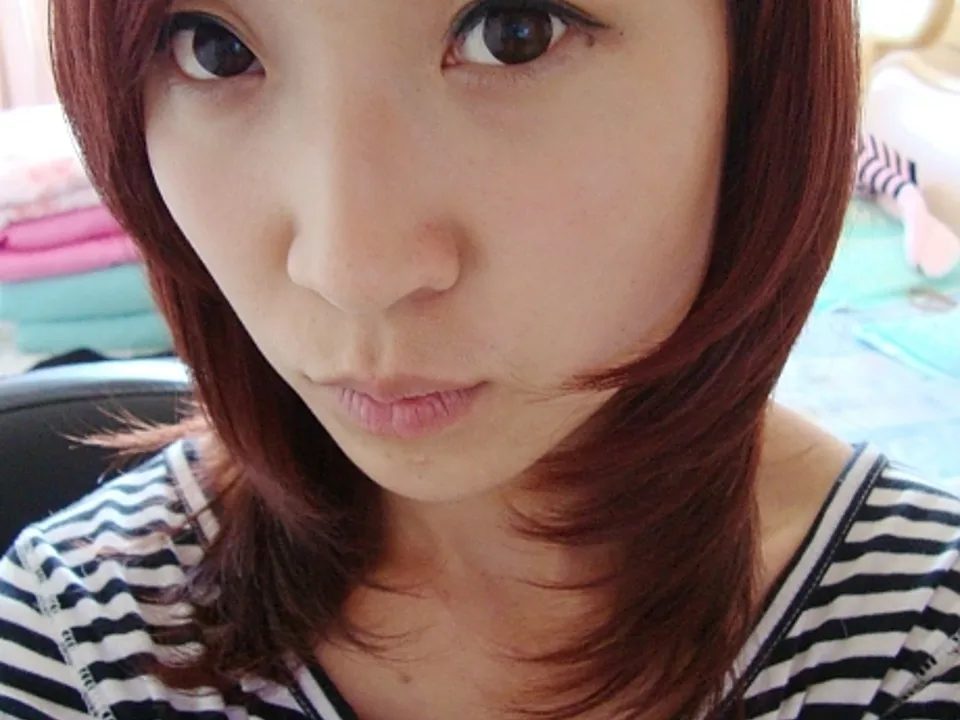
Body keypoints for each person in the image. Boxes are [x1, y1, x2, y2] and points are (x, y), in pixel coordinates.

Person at [0, 1, 957, 718]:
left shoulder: (925, 648)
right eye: (213, 48)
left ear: (756, 64)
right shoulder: (74, 638)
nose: (351, 269)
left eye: (514, 32)